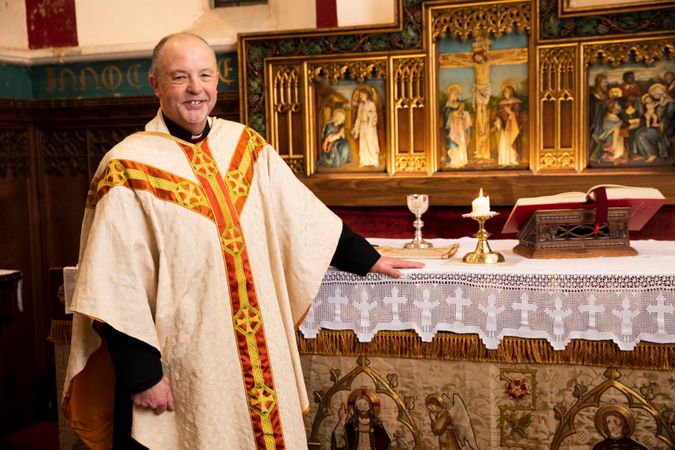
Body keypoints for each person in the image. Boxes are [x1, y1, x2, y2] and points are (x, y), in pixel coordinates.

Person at [62, 32, 423, 449]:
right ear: (155, 85)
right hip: (185, 367)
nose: (196, 89)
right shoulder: (127, 167)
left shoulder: (246, 147)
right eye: (180, 77)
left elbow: (303, 217)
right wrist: (144, 376)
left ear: (217, 83)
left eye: (205, 76)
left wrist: (367, 257)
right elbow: (114, 284)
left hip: (259, 360)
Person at [494, 80, 522, 167]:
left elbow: (518, 114)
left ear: (510, 92)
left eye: (506, 91)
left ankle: (513, 160)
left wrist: (511, 113)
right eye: (504, 91)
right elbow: (498, 114)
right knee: (503, 143)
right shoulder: (501, 103)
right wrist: (497, 121)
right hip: (503, 126)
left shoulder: (516, 102)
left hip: (512, 126)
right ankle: (504, 161)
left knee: (512, 142)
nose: (504, 93)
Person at [443, 84, 471, 168]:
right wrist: (454, 114)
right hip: (452, 128)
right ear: (450, 95)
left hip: (460, 127)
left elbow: (463, 113)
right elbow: (446, 116)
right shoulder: (448, 105)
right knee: (452, 144)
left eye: (457, 94)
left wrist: (462, 114)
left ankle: (461, 161)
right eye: (454, 94)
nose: (456, 96)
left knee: (461, 142)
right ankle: (453, 161)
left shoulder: (460, 104)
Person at [351, 88, 380, 167]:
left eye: (362, 95)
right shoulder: (360, 105)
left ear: (367, 95)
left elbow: (374, 116)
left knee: (370, 142)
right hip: (362, 126)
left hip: (369, 126)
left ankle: (374, 160)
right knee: (363, 143)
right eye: (360, 95)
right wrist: (356, 128)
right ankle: (363, 161)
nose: (361, 96)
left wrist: (367, 113)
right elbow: (358, 118)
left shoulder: (371, 104)